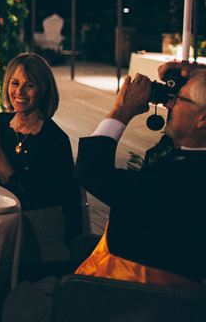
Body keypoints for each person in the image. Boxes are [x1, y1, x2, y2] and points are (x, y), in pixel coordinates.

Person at [74, 62, 206, 286]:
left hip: (124, 295)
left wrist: (121, 111)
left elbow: (92, 172)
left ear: (203, 119)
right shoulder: (192, 160)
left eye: (178, 99)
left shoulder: (179, 179)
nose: (169, 103)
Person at [0, 52, 81, 240]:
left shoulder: (54, 139)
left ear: (43, 90)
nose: (19, 92)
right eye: (15, 83)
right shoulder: (0, 123)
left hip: (31, 232)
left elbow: (25, 199)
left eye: (29, 85)